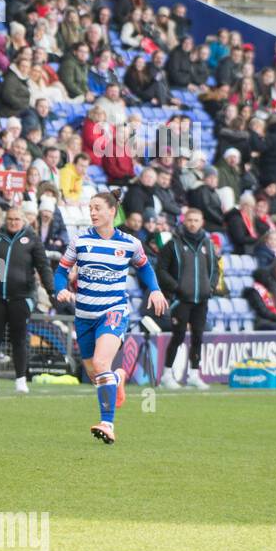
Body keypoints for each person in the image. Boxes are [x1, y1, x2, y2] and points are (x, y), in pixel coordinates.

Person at [54, 190, 169, 444]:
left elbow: (145, 267)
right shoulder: (80, 241)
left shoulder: (130, 243)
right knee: (96, 374)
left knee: (100, 363)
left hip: (113, 311)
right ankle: (117, 378)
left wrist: (156, 290)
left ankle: (107, 423)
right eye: (90, 208)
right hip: (84, 315)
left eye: (97, 208)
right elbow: (61, 271)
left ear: (111, 211)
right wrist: (60, 289)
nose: (92, 213)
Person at [0, 206, 53, 394]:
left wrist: (51, 290)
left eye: (16, 219)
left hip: (21, 298)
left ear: (23, 220)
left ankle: (20, 380)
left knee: (19, 339)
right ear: (5, 220)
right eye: (10, 219)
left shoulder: (32, 241)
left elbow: (43, 266)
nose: (13, 222)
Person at [155, 207, 217, 391]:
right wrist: (176, 288)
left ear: (202, 222)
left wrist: (210, 287)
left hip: (201, 300)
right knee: (178, 335)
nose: (193, 223)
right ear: (184, 221)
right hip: (180, 300)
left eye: (196, 220)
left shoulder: (208, 244)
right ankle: (167, 375)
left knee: (198, 336)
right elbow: (161, 270)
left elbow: (215, 269)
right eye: (189, 220)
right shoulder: (173, 244)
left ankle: (194, 375)